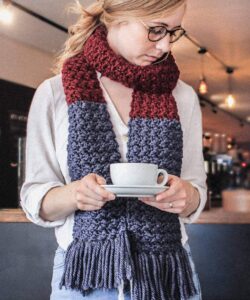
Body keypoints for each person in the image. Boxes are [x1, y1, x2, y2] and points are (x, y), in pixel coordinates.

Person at [20, 0, 207, 299]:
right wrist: (75, 194)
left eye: (173, 33)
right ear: (117, 17)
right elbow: (34, 198)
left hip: (166, 274)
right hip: (86, 276)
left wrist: (185, 196)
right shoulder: (55, 93)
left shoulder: (182, 97)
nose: (164, 46)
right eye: (155, 30)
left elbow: (195, 191)